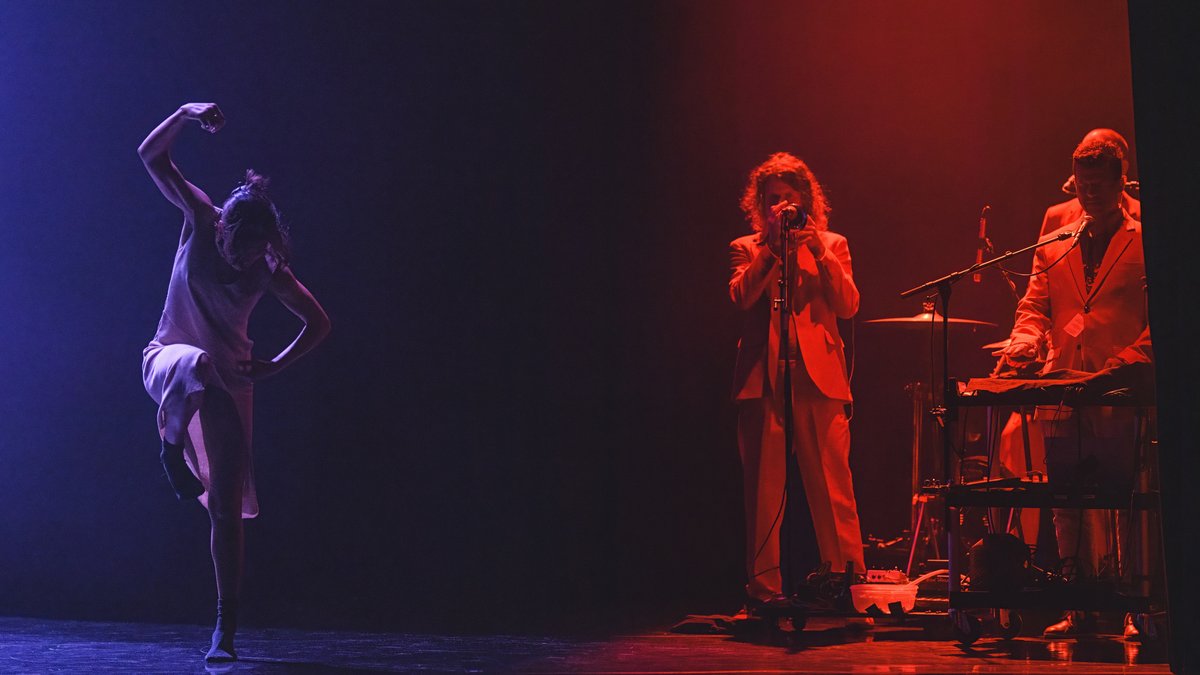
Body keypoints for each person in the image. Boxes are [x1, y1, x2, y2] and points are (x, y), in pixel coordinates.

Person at [137, 102, 331, 662]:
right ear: (224, 225)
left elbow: (319, 323)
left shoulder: (265, 266)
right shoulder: (201, 216)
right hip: (169, 361)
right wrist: (185, 113)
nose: (244, 259)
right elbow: (151, 156)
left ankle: (226, 626)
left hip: (229, 382)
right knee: (196, 365)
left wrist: (273, 366)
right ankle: (170, 445)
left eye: (255, 252)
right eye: (239, 247)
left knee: (225, 507)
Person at [992, 136, 1151, 637]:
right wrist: (1022, 345)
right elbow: (1036, 306)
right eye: (1083, 187)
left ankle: (1135, 608)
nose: (1090, 197)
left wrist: (1128, 362)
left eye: (1100, 187)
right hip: (1064, 383)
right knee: (1068, 499)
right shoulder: (1057, 233)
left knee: (1128, 500)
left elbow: (1163, 315)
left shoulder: (1146, 232)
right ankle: (1077, 606)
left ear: (1120, 181)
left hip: (1120, 387)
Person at [728, 152, 865, 609]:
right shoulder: (747, 247)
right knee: (763, 495)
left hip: (818, 379)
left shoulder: (832, 242)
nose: (781, 206)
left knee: (833, 488)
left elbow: (848, 305)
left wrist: (816, 249)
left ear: (805, 200)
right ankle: (764, 592)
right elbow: (742, 297)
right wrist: (770, 247)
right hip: (763, 381)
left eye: (789, 198)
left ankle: (850, 588)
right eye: (772, 200)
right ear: (760, 205)